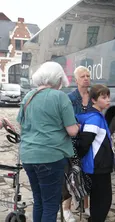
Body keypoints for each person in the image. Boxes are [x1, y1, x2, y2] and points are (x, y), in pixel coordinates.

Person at [17, 61, 79, 222]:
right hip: (51, 157)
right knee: (51, 204)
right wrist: (78, 126)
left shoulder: (28, 96)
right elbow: (72, 131)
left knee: (39, 201)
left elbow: (22, 124)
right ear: (58, 79)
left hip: (29, 156)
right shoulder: (60, 97)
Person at [76, 84, 113, 222]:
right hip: (97, 167)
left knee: (99, 201)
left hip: (98, 166)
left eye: (108, 96)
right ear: (93, 100)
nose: (108, 99)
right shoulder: (95, 118)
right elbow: (85, 143)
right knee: (102, 202)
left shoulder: (96, 116)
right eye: (103, 97)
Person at [63, 66, 92, 221]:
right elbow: (67, 120)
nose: (86, 78)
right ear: (76, 79)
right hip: (73, 142)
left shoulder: (93, 96)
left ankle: (86, 206)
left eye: (88, 75)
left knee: (87, 173)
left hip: (88, 141)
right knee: (72, 174)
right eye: (82, 76)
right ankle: (66, 208)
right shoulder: (69, 98)